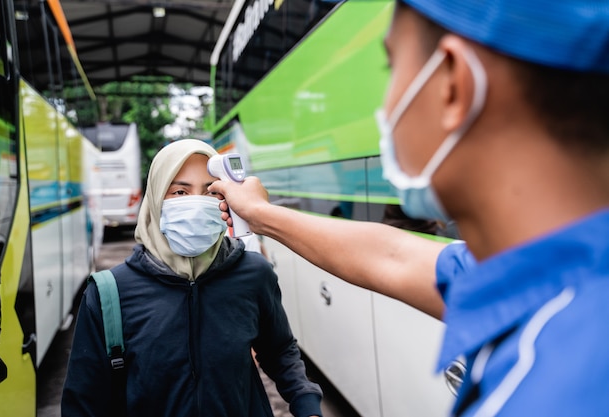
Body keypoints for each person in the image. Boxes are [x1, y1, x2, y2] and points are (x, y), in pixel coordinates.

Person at [208, 1, 609, 416]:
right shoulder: (546, 268)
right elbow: (392, 256)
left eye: (390, 66)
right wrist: (260, 214)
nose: (384, 106)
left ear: (453, 84)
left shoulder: (541, 393)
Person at [61, 139, 323, 417]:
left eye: (210, 192)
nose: (196, 203)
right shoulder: (109, 293)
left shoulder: (254, 273)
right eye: (180, 192)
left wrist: (308, 406)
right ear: (156, 199)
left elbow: (280, 350)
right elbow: (83, 401)